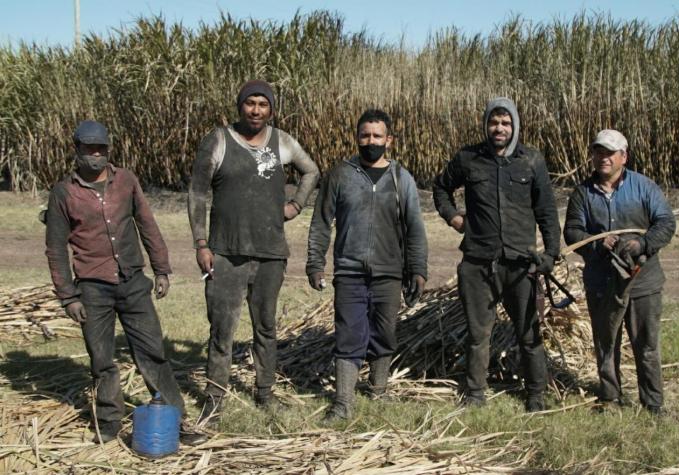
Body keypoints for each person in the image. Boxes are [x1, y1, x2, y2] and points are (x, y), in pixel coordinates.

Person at [45, 120, 204, 444]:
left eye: (100, 149)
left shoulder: (126, 181)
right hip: (92, 288)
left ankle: (176, 421)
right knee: (102, 360)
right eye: (88, 149)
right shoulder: (63, 193)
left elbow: (147, 224)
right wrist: (68, 296)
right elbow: (55, 248)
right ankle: (108, 425)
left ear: (108, 150)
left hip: (133, 282)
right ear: (76, 151)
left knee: (153, 353)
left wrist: (161, 269)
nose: (95, 155)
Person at [188, 80, 319, 423]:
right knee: (222, 329)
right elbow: (198, 194)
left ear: (271, 109)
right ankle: (214, 399)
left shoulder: (282, 142)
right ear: (239, 106)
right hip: (225, 253)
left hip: (270, 253)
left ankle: (265, 393)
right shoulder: (218, 140)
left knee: (266, 328)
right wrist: (201, 243)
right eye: (250, 103)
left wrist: (296, 205)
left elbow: (311, 170)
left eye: (263, 104)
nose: (256, 110)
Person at [432, 98, 560, 412]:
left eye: (505, 123)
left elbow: (546, 213)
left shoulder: (531, 160)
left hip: (520, 264)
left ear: (514, 125)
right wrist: (453, 217)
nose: (499, 128)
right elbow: (440, 187)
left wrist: (551, 255)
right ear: (486, 124)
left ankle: (535, 394)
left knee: (528, 332)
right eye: (493, 122)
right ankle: (476, 394)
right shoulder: (468, 158)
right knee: (478, 334)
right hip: (477, 262)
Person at [306, 109, 428, 420]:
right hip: (349, 271)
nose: (370, 141)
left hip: (389, 272)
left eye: (376, 136)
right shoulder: (339, 175)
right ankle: (343, 404)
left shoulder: (402, 179)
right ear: (357, 137)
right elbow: (321, 223)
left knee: (384, 332)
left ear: (389, 140)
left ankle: (379, 391)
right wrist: (315, 263)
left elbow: (414, 228)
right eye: (364, 135)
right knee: (348, 334)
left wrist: (418, 270)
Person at [564, 129, 676, 414]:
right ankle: (611, 398)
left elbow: (665, 222)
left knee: (646, 345)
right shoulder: (582, 194)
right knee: (605, 342)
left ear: (623, 157)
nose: (603, 158)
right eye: (598, 152)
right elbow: (573, 232)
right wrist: (599, 243)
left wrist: (643, 243)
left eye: (609, 153)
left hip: (643, 281)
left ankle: (653, 403)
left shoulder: (644, 187)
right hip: (602, 282)